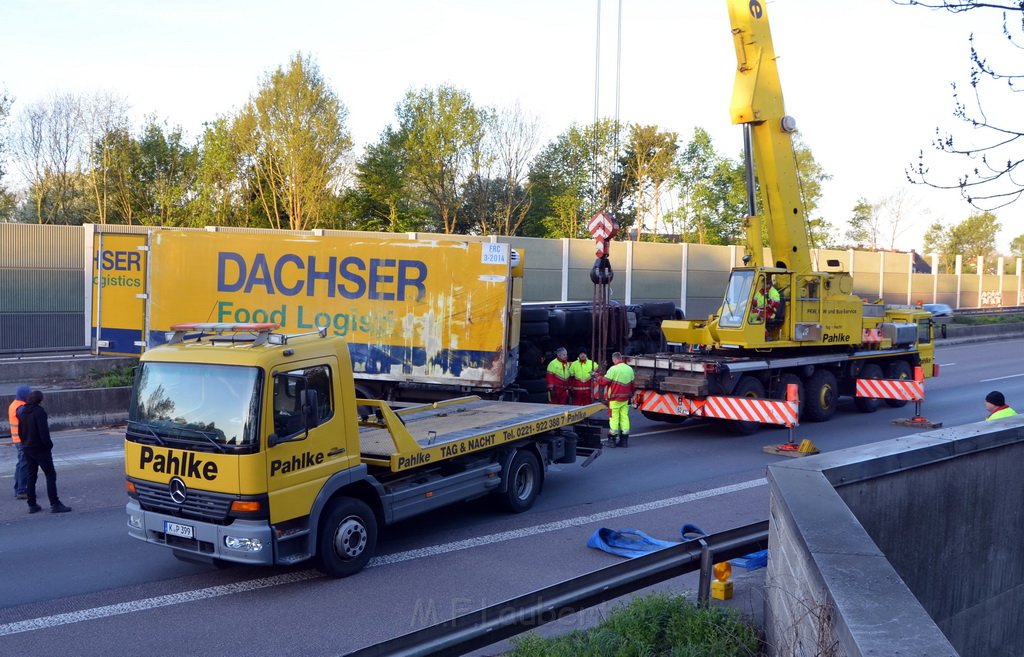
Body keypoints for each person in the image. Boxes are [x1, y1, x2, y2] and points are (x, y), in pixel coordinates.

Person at [19, 390, 72, 514]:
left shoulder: (23, 412)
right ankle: (55, 503)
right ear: (40, 400)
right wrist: (48, 445)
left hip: (27, 447)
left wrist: (24, 443)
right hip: (40, 448)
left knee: (31, 476)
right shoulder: (39, 412)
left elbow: (20, 431)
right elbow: (44, 432)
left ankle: (32, 504)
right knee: (50, 475)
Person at [599, 352, 636, 448]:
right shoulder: (629, 369)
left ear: (614, 359)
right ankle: (624, 441)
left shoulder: (613, 369)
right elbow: (632, 385)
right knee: (624, 417)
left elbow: (603, 382)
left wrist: (596, 376)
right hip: (625, 398)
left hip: (614, 399)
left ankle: (612, 440)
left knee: (614, 418)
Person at [8, 385, 30, 499]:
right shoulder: (21, 407)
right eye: (28, 394)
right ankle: (21, 490)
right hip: (22, 440)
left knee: (20, 464)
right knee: (24, 464)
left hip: (17, 439)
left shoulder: (14, 404)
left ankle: (18, 488)